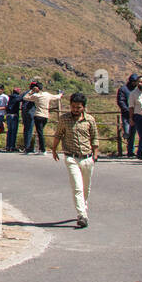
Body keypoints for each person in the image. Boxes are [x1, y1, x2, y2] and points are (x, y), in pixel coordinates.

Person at [51, 92, 98, 228]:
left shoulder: (90, 120)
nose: (75, 110)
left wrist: (95, 153)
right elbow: (58, 134)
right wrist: (54, 149)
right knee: (77, 187)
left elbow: (94, 137)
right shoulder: (64, 119)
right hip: (71, 157)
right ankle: (82, 215)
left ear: (83, 107)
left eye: (78, 107)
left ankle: (83, 207)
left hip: (87, 158)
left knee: (86, 188)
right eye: (73, 107)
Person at [24, 81, 61, 155]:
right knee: (40, 132)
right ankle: (39, 148)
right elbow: (56, 97)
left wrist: (31, 91)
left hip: (38, 115)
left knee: (40, 132)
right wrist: (61, 94)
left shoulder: (36, 96)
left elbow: (25, 97)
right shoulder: (47, 94)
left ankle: (43, 149)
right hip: (45, 116)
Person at [118, 74, 138, 157]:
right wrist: (127, 110)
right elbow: (121, 101)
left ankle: (130, 151)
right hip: (126, 114)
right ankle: (124, 134)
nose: (134, 83)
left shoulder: (137, 90)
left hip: (135, 114)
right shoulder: (123, 89)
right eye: (133, 81)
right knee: (127, 132)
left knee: (132, 133)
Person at [4, 86, 23, 151]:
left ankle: (7, 146)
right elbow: (21, 98)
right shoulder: (17, 97)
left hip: (8, 115)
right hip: (14, 115)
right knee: (14, 131)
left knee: (9, 131)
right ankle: (12, 146)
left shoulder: (9, 97)